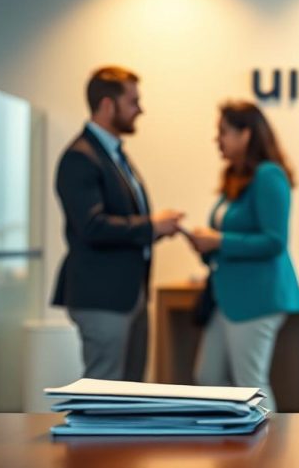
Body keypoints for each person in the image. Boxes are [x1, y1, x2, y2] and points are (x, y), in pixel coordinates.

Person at [52, 65, 184, 381]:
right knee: (105, 391)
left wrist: (156, 228)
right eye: (134, 101)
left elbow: (118, 219)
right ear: (108, 105)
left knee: (130, 392)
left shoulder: (113, 155)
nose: (140, 109)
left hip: (128, 294)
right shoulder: (80, 156)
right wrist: (151, 226)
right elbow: (92, 225)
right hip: (102, 296)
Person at [187, 101, 299, 412]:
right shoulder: (235, 179)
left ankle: (266, 456)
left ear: (246, 134)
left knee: (251, 384)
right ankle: (234, 448)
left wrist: (219, 240)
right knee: (207, 377)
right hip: (228, 297)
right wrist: (207, 244)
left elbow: (274, 241)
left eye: (223, 132)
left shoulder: (269, 175)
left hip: (257, 297)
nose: (218, 140)